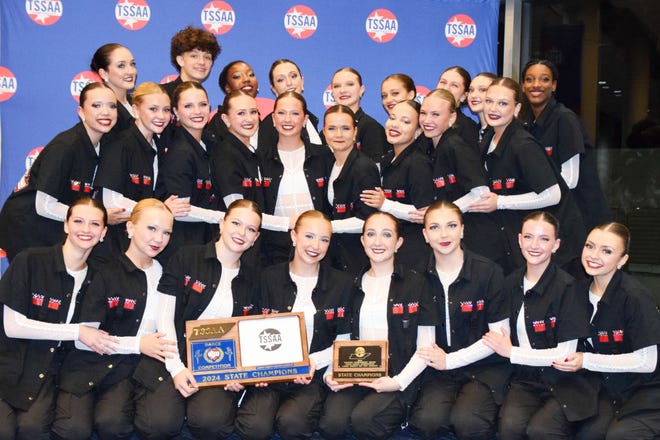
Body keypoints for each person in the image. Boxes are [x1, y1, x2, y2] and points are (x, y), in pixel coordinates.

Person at [52, 199, 179, 440]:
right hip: (93, 363)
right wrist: (139, 344)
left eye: (166, 232)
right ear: (130, 228)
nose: (158, 238)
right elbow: (83, 339)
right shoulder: (104, 272)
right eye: (151, 228)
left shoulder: (166, 274)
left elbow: (169, 328)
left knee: (141, 423)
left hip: (140, 367)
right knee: (80, 428)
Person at [0, 198, 116, 440]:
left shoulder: (100, 278)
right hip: (11, 362)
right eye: (78, 221)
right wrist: (76, 331)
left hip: (53, 370)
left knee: (35, 429)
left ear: (104, 232)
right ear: (65, 225)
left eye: (95, 224)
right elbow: (13, 326)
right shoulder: (29, 260)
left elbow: (92, 335)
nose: (86, 230)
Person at [236, 210, 354, 440]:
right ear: (293, 236)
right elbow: (250, 329)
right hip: (269, 374)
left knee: (292, 424)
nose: (315, 246)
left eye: (324, 239)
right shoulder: (267, 277)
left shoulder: (342, 283)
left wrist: (312, 362)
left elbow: (344, 340)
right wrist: (256, 369)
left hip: (312, 375)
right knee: (255, 428)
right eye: (309, 236)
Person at [319, 212, 437, 440]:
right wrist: (330, 373)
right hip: (357, 373)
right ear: (362, 241)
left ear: (398, 242)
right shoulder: (350, 285)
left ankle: (403, 413)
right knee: (331, 424)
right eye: (371, 234)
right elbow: (342, 339)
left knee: (365, 421)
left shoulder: (417, 284)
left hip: (399, 376)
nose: (377, 241)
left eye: (386, 234)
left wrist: (397, 382)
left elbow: (426, 347)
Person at [482, 211, 596, 439]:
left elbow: (565, 355)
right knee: (509, 429)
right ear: (519, 240)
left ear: (556, 245)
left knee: (541, 431)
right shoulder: (509, 282)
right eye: (528, 237)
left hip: (566, 380)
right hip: (525, 378)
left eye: (544, 239)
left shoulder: (568, 288)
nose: (535, 245)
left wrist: (511, 352)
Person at [157, 199, 262, 439]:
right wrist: (176, 368)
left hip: (221, 364)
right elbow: (163, 317)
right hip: (173, 354)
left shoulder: (254, 278)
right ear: (222, 224)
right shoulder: (185, 256)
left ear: (255, 238)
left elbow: (249, 334)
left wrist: (241, 374)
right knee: (159, 423)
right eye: (236, 223)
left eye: (250, 229)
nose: (241, 233)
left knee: (210, 423)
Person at [407, 201, 508, 440]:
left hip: (484, 368)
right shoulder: (415, 276)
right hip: (437, 370)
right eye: (434, 227)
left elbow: (499, 337)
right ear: (424, 234)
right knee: (425, 423)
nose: (443, 234)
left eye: (451, 225)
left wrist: (450, 361)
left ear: (462, 230)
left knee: (468, 423)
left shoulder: (489, 272)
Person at [552, 223, 660, 439]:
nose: (593, 256)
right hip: (605, 387)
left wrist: (586, 360)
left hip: (645, 389)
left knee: (619, 435)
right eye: (589, 246)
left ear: (622, 260)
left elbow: (648, 362)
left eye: (607, 251)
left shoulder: (635, 297)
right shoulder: (577, 291)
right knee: (583, 432)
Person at [467, 77, 584, 274]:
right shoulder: (489, 137)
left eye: (503, 103)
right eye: (489, 101)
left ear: (517, 108)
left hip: (555, 245)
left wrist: (501, 202)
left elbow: (553, 194)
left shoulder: (523, 145)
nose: (493, 109)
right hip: (521, 238)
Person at [0, 82, 118, 261]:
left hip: (55, 227)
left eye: (112, 106)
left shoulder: (104, 146)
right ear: (81, 112)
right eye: (96, 105)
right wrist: (94, 217)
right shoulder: (65, 146)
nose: (106, 112)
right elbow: (44, 206)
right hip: (26, 225)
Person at [95, 82, 190, 259]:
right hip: (114, 246)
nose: (161, 116)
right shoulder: (120, 144)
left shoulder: (160, 148)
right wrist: (160, 209)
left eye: (166, 110)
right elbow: (112, 202)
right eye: (153, 109)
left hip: (144, 245)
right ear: (135, 110)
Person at [521, 59, 611, 231]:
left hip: (582, 217)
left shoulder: (565, 119)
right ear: (523, 86)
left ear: (554, 86)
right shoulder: (529, 124)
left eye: (544, 79)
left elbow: (570, 180)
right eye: (529, 79)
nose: (536, 85)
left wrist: (531, 197)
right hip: (554, 215)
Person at [415, 88, 493, 260]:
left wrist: (444, 215)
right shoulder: (429, 146)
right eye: (423, 113)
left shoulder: (456, 146)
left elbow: (481, 194)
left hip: (476, 236)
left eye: (435, 115)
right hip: (453, 235)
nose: (427, 120)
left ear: (451, 117)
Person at [258, 91, 333, 265]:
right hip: (274, 249)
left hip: (318, 246)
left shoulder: (324, 155)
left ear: (305, 119)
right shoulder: (260, 159)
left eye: (295, 113)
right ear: (274, 119)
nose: (287, 120)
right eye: (282, 113)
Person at [361, 100, 435, 272]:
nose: (395, 125)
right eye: (392, 118)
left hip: (413, 250)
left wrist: (385, 205)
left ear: (418, 132)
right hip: (392, 245)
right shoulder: (387, 159)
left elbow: (424, 214)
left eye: (405, 121)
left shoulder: (419, 164)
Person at [155, 81, 223, 254]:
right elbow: (181, 210)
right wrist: (224, 218)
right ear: (176, 112)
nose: (197, 112)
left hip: (205, 239)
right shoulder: (180, 152)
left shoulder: (210, 142)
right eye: (188, 106)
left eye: (202, 104)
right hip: (182, 244)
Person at [323, 105, 380, 277]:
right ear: (324, 132)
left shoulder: (364, 167)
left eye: (345, 128)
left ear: (355, 132)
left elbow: (367, 220)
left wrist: (326, 227)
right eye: (332, 128)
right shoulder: (330, 163)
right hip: (337, 255)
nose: (338, 134)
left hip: (357, 257)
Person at [258, 59, 322, 149]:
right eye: (280, 80)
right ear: (273, 89)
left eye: (293, 76)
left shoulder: (311, 118)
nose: (289, 83)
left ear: (302, 81)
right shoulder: (268, 126)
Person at [331, 67, 387, 162]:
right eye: (337, 86)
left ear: (361, 90)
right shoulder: (326, 129)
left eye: (349, 84)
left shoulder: (371, 127)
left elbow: (374, 171)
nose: (342, 90)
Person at [160, 26, 221, 100]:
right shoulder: (162, 95)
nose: (202, 62)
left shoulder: (203, 97)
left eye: (207, 57)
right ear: (180, 60)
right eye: (194, 56)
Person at [207, 60, 260, 145]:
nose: (246, 79)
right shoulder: (218, 123)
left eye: (251, 75)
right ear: (227, 88)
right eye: (237, 77)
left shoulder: (260, 122)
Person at [90, 43, 137, 137]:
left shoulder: (134, 102)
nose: (131, 71)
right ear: (103, 73)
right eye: (121, 66)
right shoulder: (104, 111)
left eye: (132, 64)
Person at [437, 66, 480, 150]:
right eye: (443, 82)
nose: (446, 88)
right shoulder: (424, 119)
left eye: (454, 85)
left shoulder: (468, 127)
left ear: (464, 95)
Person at [467, 71, 497, 142]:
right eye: (471, 90)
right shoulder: (473, 132)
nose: (474, 95)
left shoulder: (500, 132)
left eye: (482, 90)